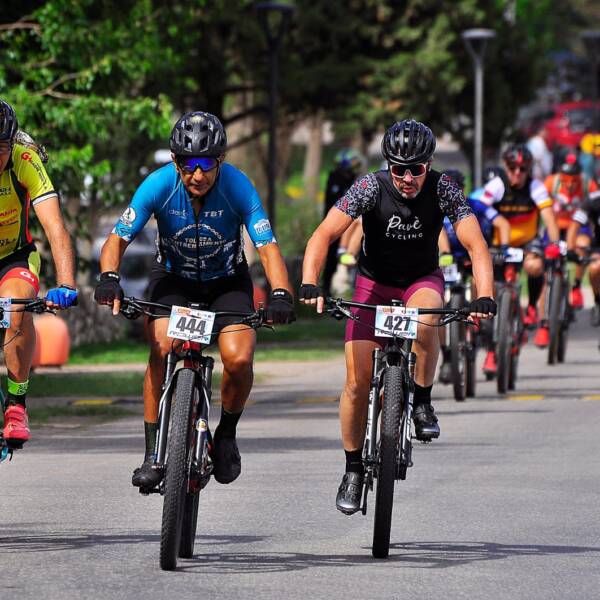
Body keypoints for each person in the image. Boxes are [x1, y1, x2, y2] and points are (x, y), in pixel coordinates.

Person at [299, 119, 496, 515]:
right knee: (355, 383)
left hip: (419, 280)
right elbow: (323, 235)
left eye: (416, 169)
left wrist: (484, 296)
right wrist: (308, 282)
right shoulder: (370, 187)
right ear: (388, 165)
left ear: (429, 165)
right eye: (398, 169)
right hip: (373, 284)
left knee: (426, 321)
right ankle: (353, 469)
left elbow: (476, 247)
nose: (407, 178)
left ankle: (421, 400)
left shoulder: (444, 189)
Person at [94, 111, 295, 490]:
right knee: (160, 347)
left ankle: (227, 435)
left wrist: (282, 293)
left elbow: (266, 246)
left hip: (226, 283)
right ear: (175, 161)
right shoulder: (157, 185)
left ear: (220, 161)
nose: (197, 174)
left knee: (238, 358)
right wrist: (108, 277)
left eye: (206, 164)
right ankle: (154, 452)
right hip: (173, 280)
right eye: (187, 164)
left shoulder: (238, 186)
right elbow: (117, 238)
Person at [0, 100, 78, 445]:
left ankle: (16, 405)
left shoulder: (25, 160)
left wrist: (66, 284)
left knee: (15, 309)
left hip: (13, 257)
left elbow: (55, 227)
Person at [480, 144, 560, 354]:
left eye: (523, 168)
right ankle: (490, 352)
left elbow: (549, 218)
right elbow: (479, 211)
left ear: (529, 169)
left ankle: (532, 305)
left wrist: (554, 244)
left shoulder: (536, 187)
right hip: (500, 244)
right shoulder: (497, 185)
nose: (518, 173)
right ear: (506, 167)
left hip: (527, 242)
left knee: (535, 266)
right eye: (513, 167)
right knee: (487, 291)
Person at [437, 168, 510, 381]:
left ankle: (482, 321)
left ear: (463, 188)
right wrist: (444, 253)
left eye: (457, 187)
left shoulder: (476, 205)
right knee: (439, 303)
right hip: (449, 258)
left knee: (481, 282)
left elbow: (502, 223)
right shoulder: (435, 206)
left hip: (473, 254)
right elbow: (438, 232)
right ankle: (447, 357)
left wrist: (503, 248)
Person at [544, 153, 599, 309]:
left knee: (582, 246)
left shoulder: (588, 184)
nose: (569, 185)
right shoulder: (551, 183)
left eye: (574, 180)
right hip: (556, 227)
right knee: (545, 254)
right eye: (565, 180)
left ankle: (576, 286)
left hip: (580, 227)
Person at [321, 149, 363, 296]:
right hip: (334, 223)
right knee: (331, 260)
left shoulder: (354, 180)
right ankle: (326, 291)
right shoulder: (335, 179)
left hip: (349, 225)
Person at [568, 198, 600, 327]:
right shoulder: (592, 202)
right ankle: (598, 301)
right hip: (598, 247)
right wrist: (570, 249)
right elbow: (575, 224)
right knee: (595, 267)